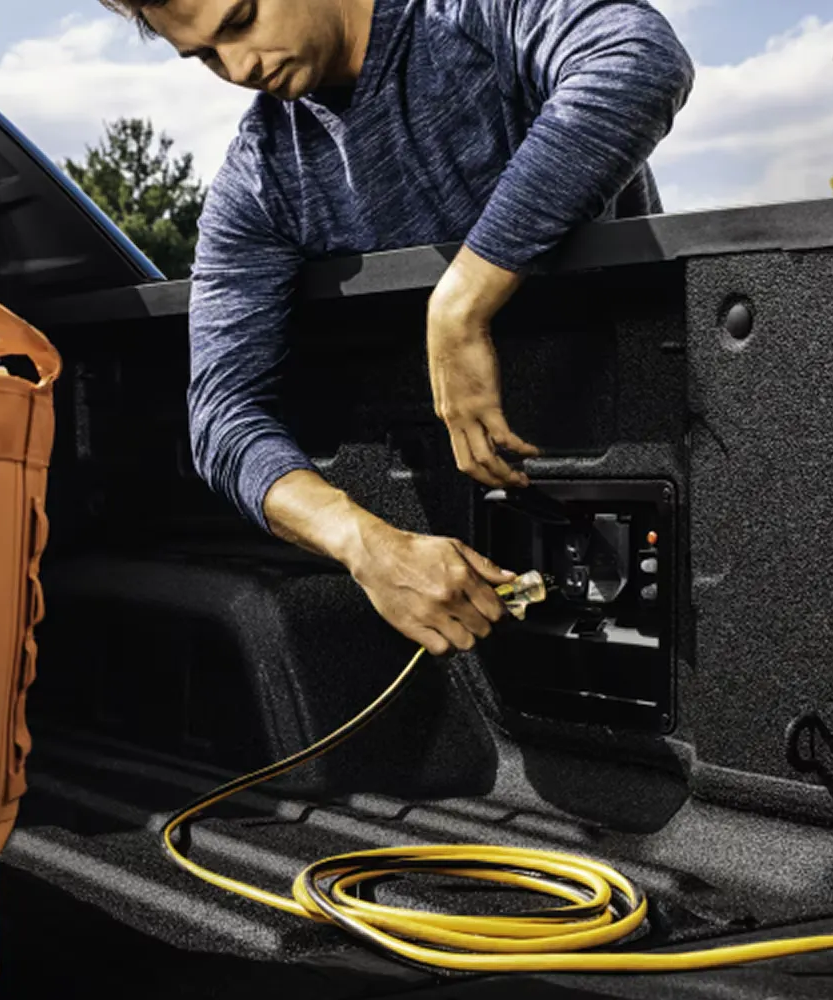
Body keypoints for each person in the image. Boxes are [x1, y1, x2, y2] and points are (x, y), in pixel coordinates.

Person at [98, 0, 695, 656]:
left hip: (667, 469)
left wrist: (461, 304)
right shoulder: (259, 180)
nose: (240, 68)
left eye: (241, 20)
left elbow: (638, 59)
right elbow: (221, 418)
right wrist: (365, 544)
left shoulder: (473, 14)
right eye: (206, 56)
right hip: (477, 576)